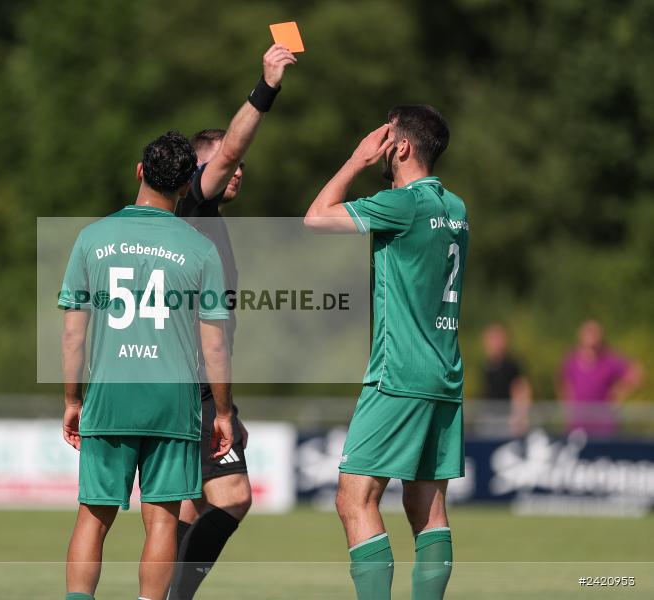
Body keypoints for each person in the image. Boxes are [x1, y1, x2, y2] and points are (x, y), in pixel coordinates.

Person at [58, 131, 235, 600]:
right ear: (185, 185)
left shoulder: (92, 238)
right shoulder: (200, 248)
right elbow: (214, 346)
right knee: (161, 518)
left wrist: (73, 400)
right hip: (171, 400)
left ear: (140, 172)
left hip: (110, 394)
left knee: (93, 517)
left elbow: (73, 334)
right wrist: (222, 412)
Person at [304, 105, 466, 600]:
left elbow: (315, 218)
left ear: (401, 147)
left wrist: (355, 161)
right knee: (428, 510)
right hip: (445, 373)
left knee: (354, 499)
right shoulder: (455, 208)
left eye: (386, 135)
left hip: (398, 374)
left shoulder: (405, 204)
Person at [170, 43, 296, 599]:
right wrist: (265, 87)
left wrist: (227, 406)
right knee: (234, 498)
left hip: (194, 384)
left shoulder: (206, 221)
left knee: (189, 504)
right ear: (202, 168)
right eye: (227, 160)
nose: (238, 167)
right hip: (191, 386)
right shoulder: (195, 206)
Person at [560, 319, 643, 437]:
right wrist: (568, 408)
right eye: (589, 332)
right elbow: (565, 384)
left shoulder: (609, 359)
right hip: (578, 424)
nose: (592, 337)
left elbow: (635, 373)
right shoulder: (571, 359)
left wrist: (618, 393)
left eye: (595, 333)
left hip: (603, 424)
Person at [480, 323, 532, 436]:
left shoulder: (512, 365)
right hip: (489, 417)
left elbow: (521, 390)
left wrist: (519, 416)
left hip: (507, 419)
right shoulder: (486, 366)